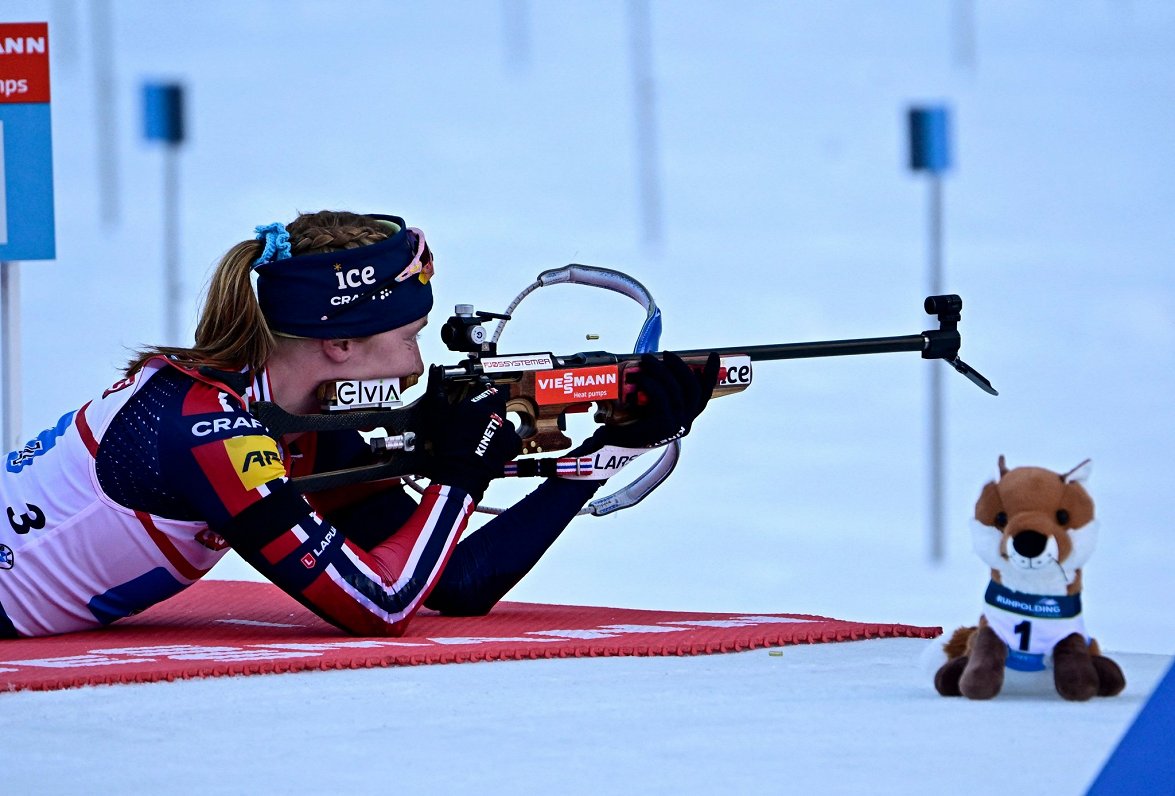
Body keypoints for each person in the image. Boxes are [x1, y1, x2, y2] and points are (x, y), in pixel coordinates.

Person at [0, 211, 717, 639]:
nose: (417, 360)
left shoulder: (291, 417)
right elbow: (382, 604)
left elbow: (455, 584)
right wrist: (459, 474)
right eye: (409, 336)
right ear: (340, 342)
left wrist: (609, 449)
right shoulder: (210, 433)